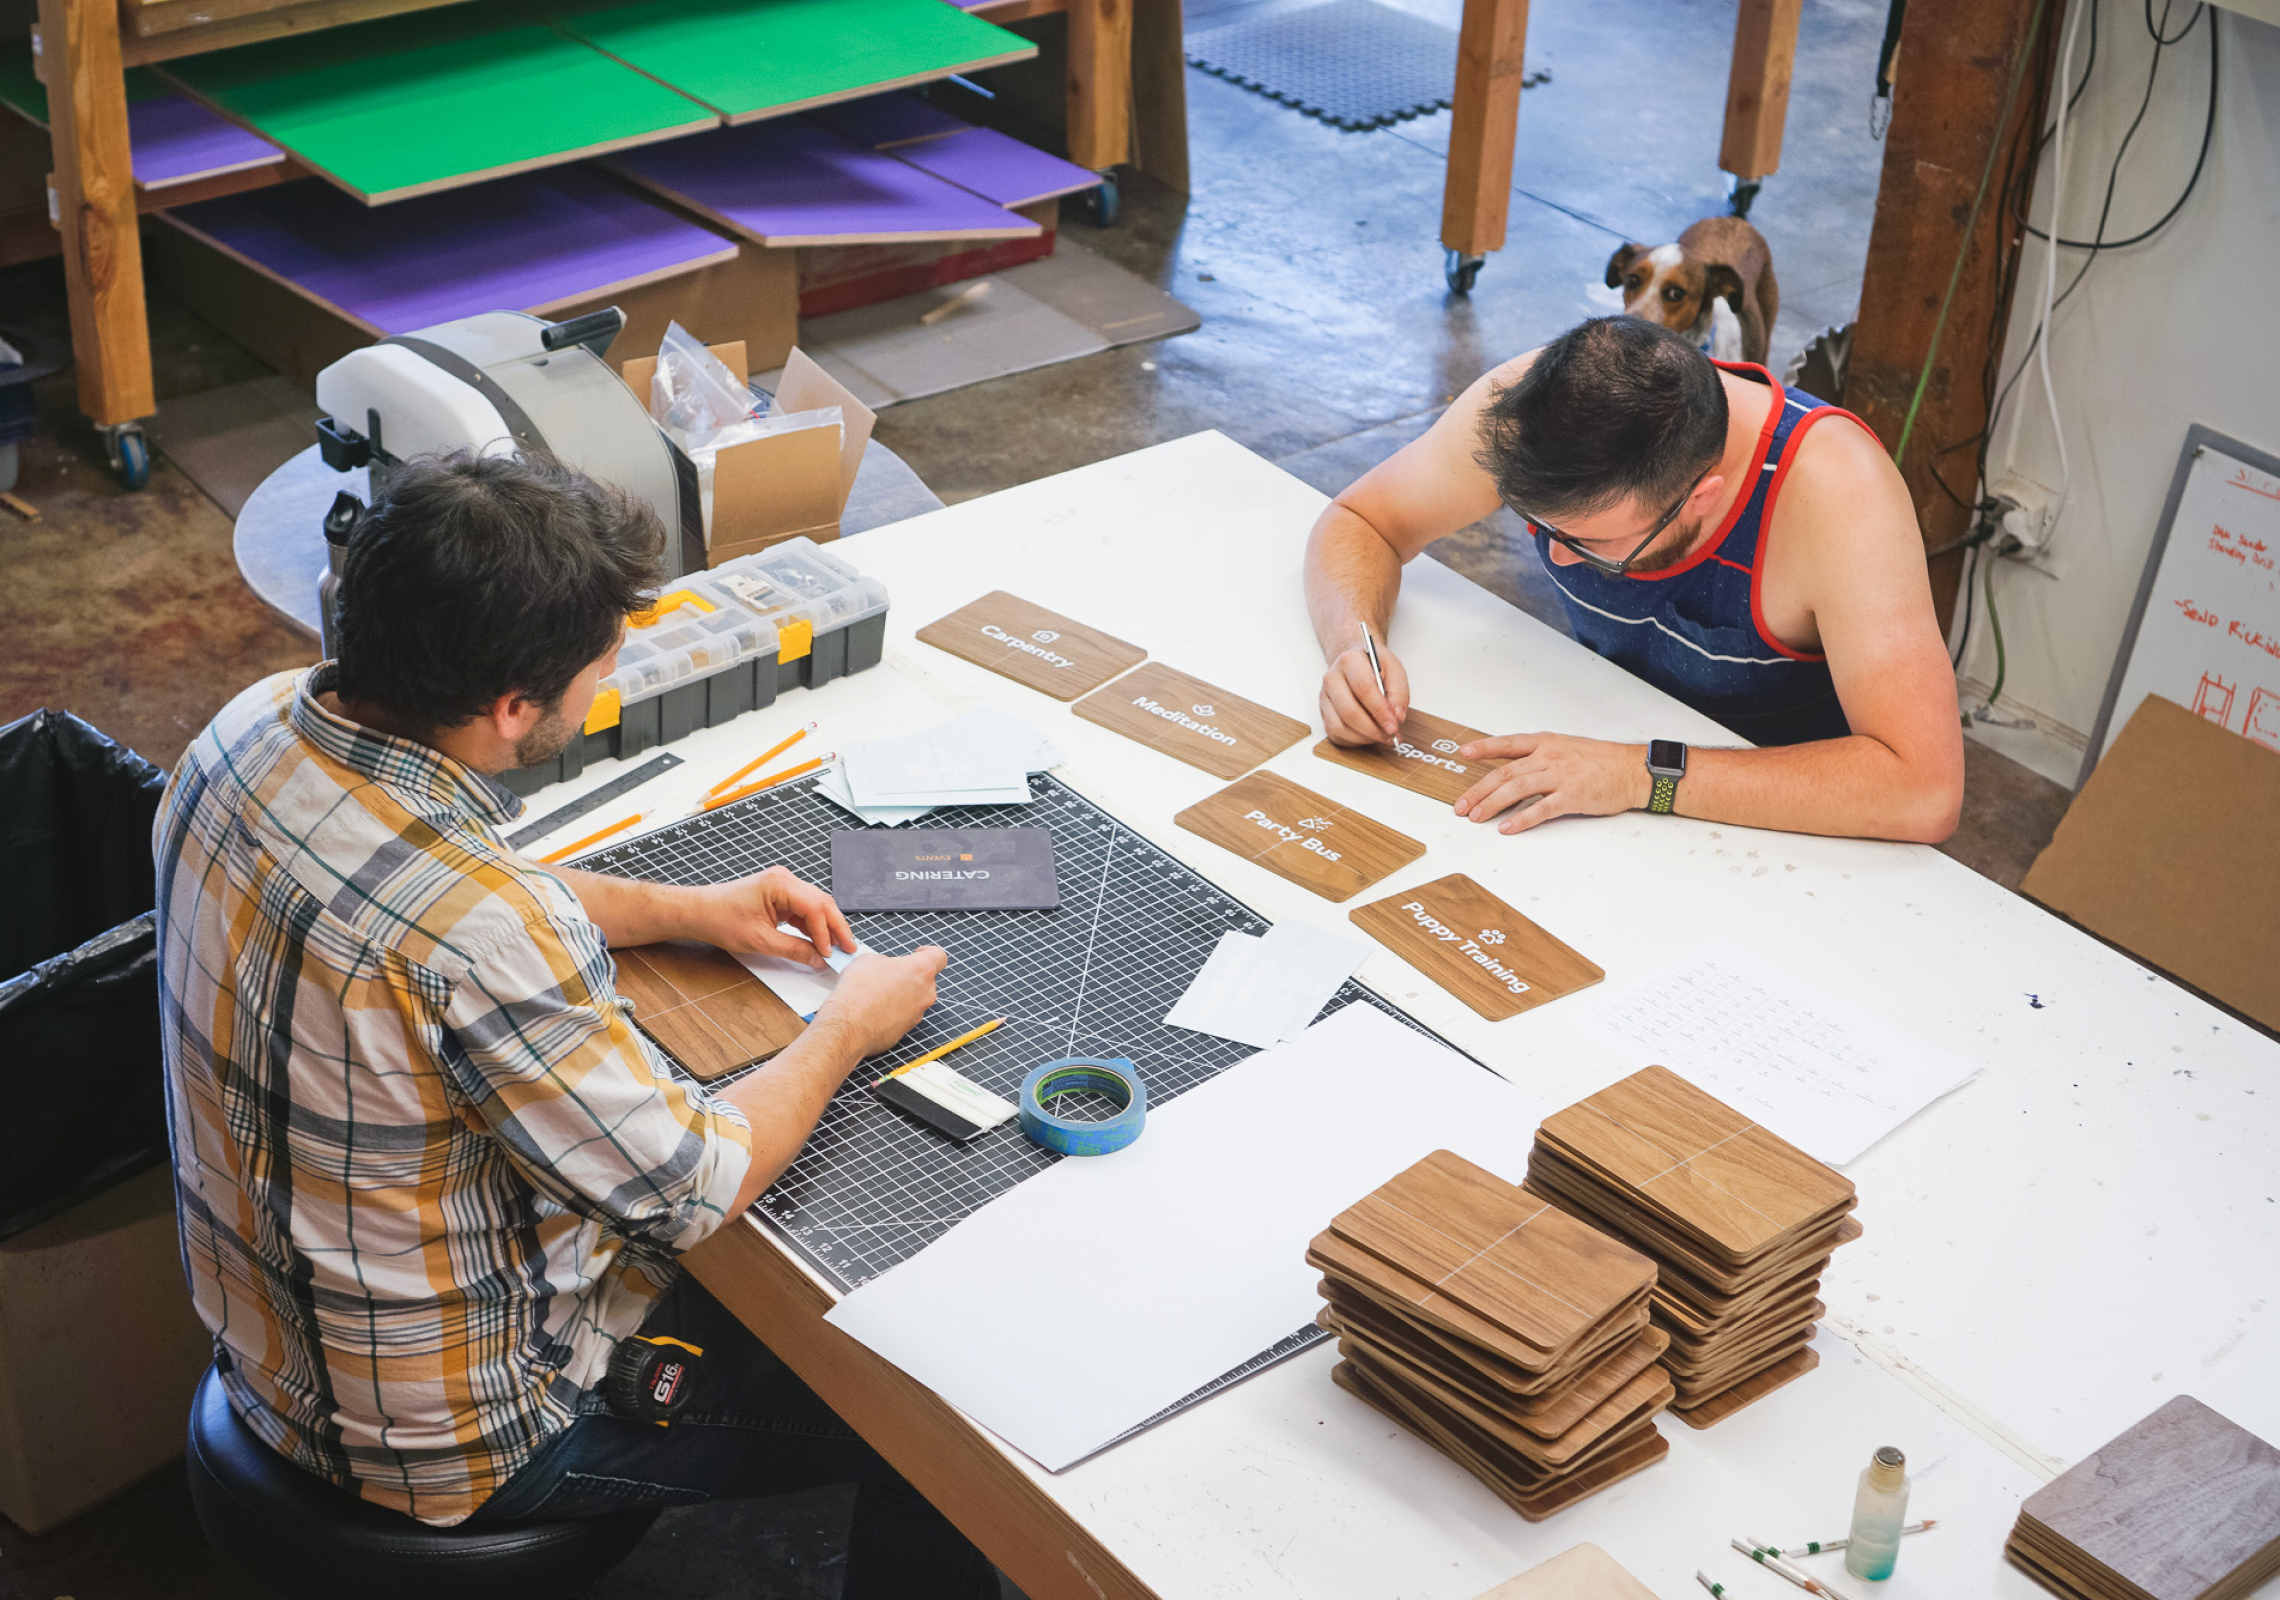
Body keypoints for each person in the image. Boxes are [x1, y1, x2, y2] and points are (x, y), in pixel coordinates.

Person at [154, 452, 993, 1598]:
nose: (601, 691)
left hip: (274, 1357)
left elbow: (434, 881)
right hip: (456, 1449)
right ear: (512, 708)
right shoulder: (485, 935)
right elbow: (694, 1182)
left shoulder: (241, 734)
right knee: (943, 1427)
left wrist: (693, 910)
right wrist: (849, 1020)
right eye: (597, 673)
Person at [1304, 316, 1964, 842]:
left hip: (1784, 831)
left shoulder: (1838, 495)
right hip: (1604, 741)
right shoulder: (1535, 413)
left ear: (1703, 499)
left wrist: (1641, 774)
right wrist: (1354, 647)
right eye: (1539, 526)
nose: (1558, 563)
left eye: (1594, 543)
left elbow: (1922, 789)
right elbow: (1363, 519)